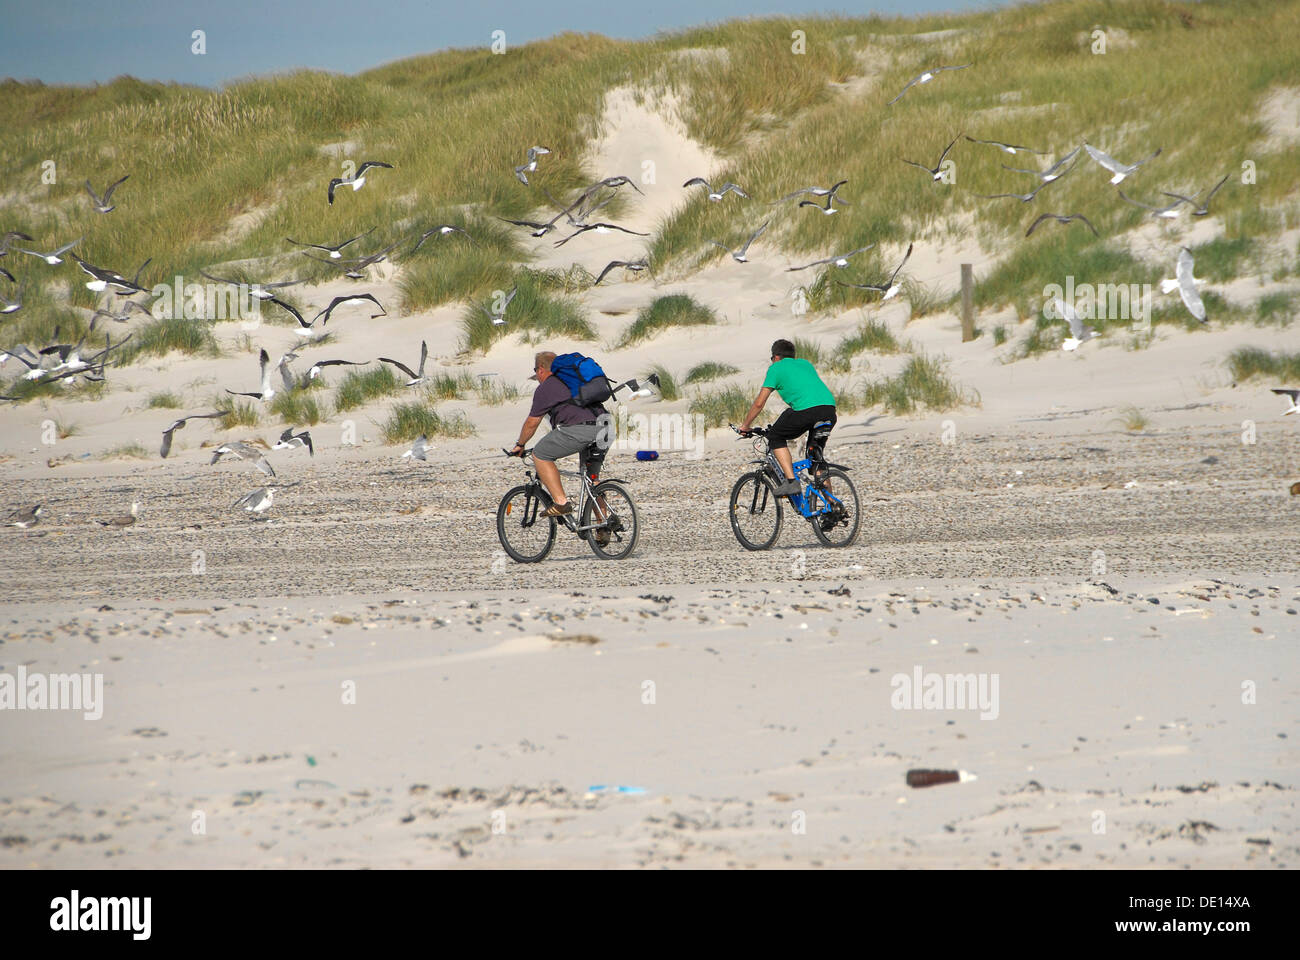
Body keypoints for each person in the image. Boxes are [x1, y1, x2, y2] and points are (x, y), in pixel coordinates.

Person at [509, 349, 609, 526]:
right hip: (606, 427)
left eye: (536, 372)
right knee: (592, 478)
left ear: (540, 369)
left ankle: (561, 503)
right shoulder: (574, 380)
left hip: (582, 430)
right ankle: (603, 524)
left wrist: (520, 444)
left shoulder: (546, 388)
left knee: (540, 454)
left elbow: (532, 422)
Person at [738, 338, 837, 495]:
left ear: (776, 357)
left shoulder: (776, 368)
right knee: (816, 459)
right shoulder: (806, 364)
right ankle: (832, 507)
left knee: (775, 436)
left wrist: (745, 426)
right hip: (829, 410)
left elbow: (759, 403)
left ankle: (791, 482)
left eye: (772, 359)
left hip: (807, 411)